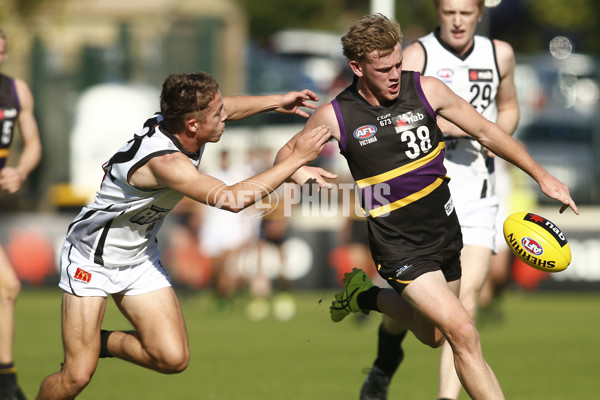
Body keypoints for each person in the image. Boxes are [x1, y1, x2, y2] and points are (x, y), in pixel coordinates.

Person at [275, 13, 577, 400]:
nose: (395, 74)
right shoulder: (337, 116)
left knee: (433, 336)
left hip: (445, 234)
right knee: (463, 331)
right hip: (398, 246)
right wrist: (301, 176)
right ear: (357, 67)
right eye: (384, 68)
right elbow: (285, 155)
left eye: (398, 64)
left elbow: (486, 129)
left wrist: (542, 175)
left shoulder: (428, 90)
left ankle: (364, 296)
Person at [35, 71, 331, 400]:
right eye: (217, 115)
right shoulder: (167, 162)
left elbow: (228, 107)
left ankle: (98, 342)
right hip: (91, 259)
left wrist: (277, 100)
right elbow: (232, 199)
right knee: (76, 377)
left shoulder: (185, 124)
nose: (225, 117)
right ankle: (84, 352)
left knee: (173, 358)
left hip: (138, 258)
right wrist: (297, 159)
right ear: (192, 124)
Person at [360, 1, 521, 398]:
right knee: (421, 316)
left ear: (479, 14)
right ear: (439, 11)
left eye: (465, 12)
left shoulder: (500, 54)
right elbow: (393, 116)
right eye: (449, 11)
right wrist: (467, 127)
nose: (457, 20)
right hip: (422, 196)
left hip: (478, 192)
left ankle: (446, 397)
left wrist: (494, 135)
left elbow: (509, 108)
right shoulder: (418, 55)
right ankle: (384, 361)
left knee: (464, 307)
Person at [0, 26, 42, 400]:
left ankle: (7, 383)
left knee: (5, 287)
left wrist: (21, 170)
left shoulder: (16, 90)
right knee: (6, 285)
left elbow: (32, 145)